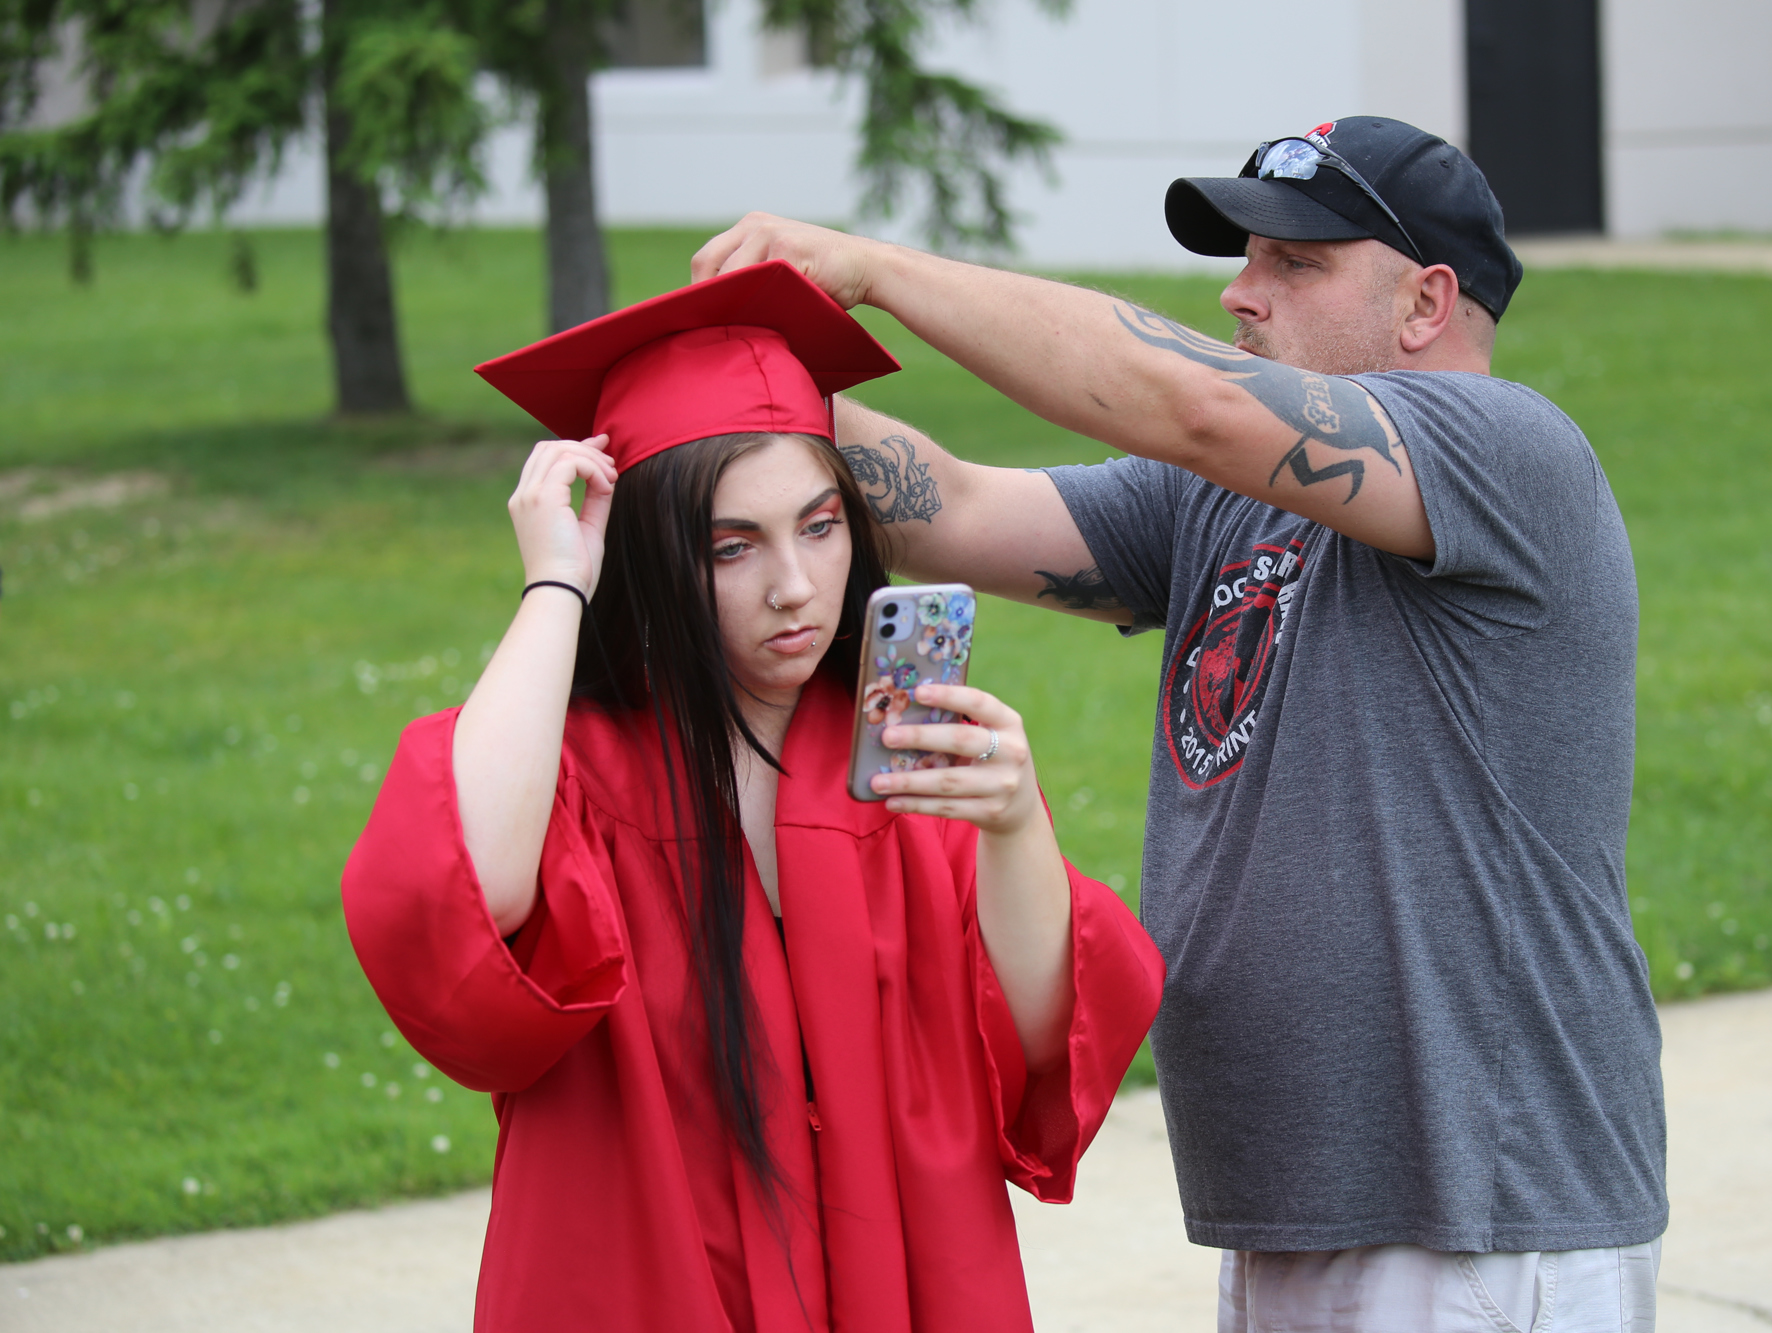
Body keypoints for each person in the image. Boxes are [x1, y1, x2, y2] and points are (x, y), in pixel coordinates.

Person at [692, 116, 1668, 1331]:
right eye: (1245, 257)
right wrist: (713, 379)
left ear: (1425, 302)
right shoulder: (1225, 503)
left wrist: (876, 271)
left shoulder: (1510, 452)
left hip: (1479, 1214)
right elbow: (954, 511)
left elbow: (1191, 400)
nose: (1239, 293)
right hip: (1294, 1209)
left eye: (1293, 265)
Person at [340, 260, 1163, 1333]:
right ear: (644, 554)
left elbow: (1039, 1041)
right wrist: (555, 582)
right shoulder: (581, 770)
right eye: (732, 546)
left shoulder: (902, 763)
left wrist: (1010, 831)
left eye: (820, 527)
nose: (794, 585)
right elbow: (464, 898)